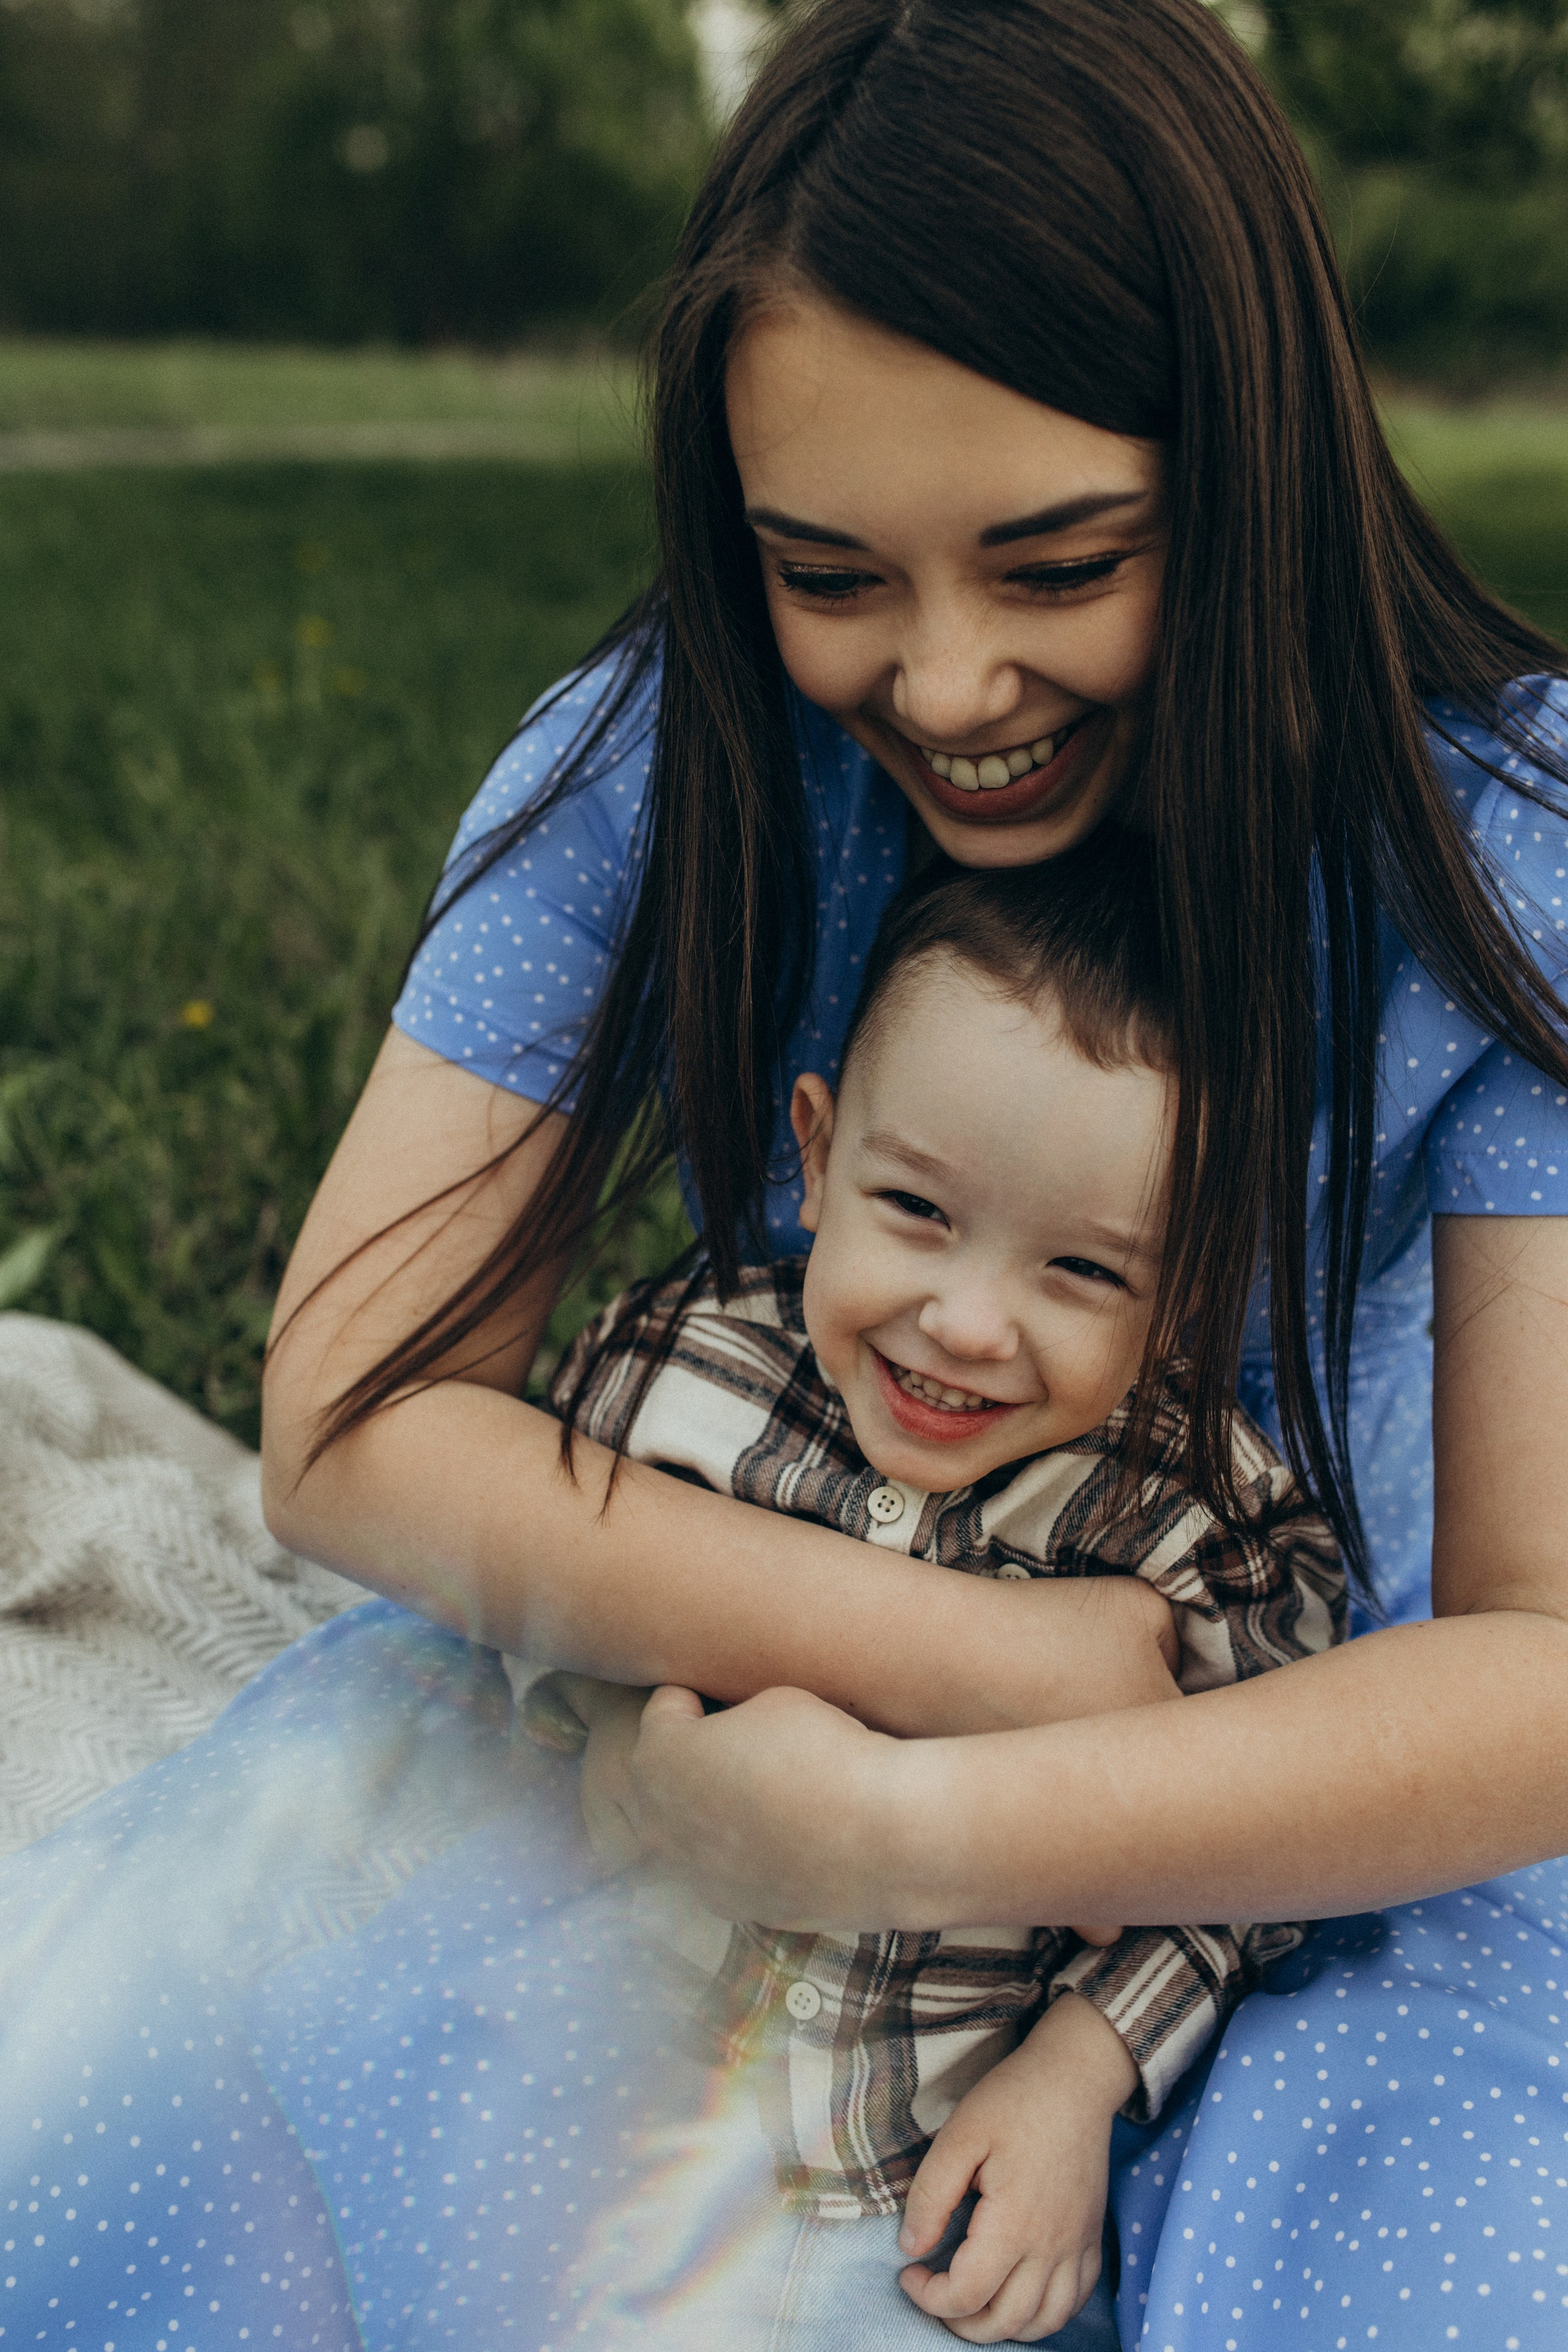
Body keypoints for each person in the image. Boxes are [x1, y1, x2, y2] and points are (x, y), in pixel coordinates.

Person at [2, 0, 1567, 2344]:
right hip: (737, 1716)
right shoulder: (678, 755)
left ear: (1257, 462)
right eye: (830, 573)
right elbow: (349, 1417)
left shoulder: (1511, 850)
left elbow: (1538, 1672)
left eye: (1061, 563)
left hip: (1349, 1820)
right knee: (208, 2106)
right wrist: (957, 1671)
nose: (947, 687)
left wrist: (929, 1827)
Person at [514, 840, 1346, 2347]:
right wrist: (616, 1746)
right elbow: (527, 1592)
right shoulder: (676, 1371)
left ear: (1186, 1289)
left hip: (901, 2200)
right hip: (578, 2091)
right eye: (912, 1207)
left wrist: (1074, 2078)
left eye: (1081, 1272)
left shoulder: (1195, 1533)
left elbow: (1244, 1869)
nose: (965, 1324)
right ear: (816, 1153)